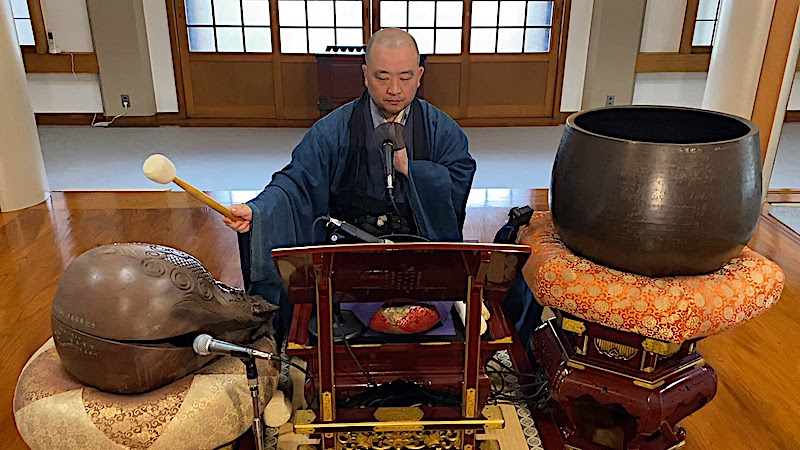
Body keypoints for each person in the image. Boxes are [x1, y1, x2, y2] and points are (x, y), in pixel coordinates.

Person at [223, 28, 476, 342]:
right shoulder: (334, 129)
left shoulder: (441, 130)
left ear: (420, 75)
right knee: (334, 300)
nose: (395, 89)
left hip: (421, 251)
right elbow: (297, 181)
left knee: (438, 299)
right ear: (365, 74)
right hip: (351, 251)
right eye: (383, 77)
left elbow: (459, 176)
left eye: (405, 77)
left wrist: (413, 170)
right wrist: (258, 211)